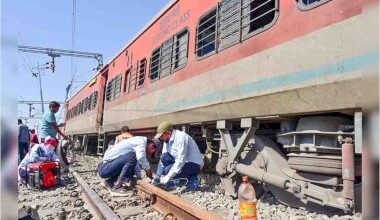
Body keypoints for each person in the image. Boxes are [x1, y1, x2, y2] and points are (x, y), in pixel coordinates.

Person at [152, 121, 204, 191]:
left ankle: (193, 178)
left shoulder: (180, 137)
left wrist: (168, 176)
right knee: (164, 157)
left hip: (194, 164)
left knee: (167, 170)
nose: (161, 138)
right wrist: (157, 176)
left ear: (168, 133)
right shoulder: (167, 140)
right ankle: (180, 178)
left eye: (161, 136)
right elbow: (162, 159)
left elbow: (180, 160)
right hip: (183, 163)